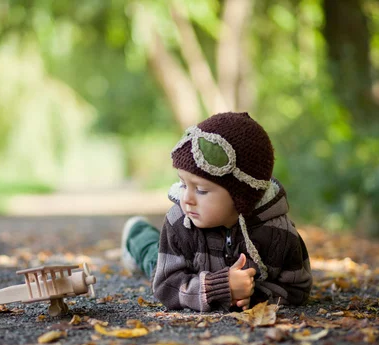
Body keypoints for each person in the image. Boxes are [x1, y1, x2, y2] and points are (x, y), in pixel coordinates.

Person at [121, 112, 312, 312]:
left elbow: (297, 287)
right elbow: (166, 286)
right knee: (152, 257)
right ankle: (136, 231)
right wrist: (219, 288)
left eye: (201, 190)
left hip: (205, 272)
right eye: (183, 184)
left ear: (242, 196)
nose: (187, 198)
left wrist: (252, 296)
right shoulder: (179, 220)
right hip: (184, 266)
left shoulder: (277, 231)